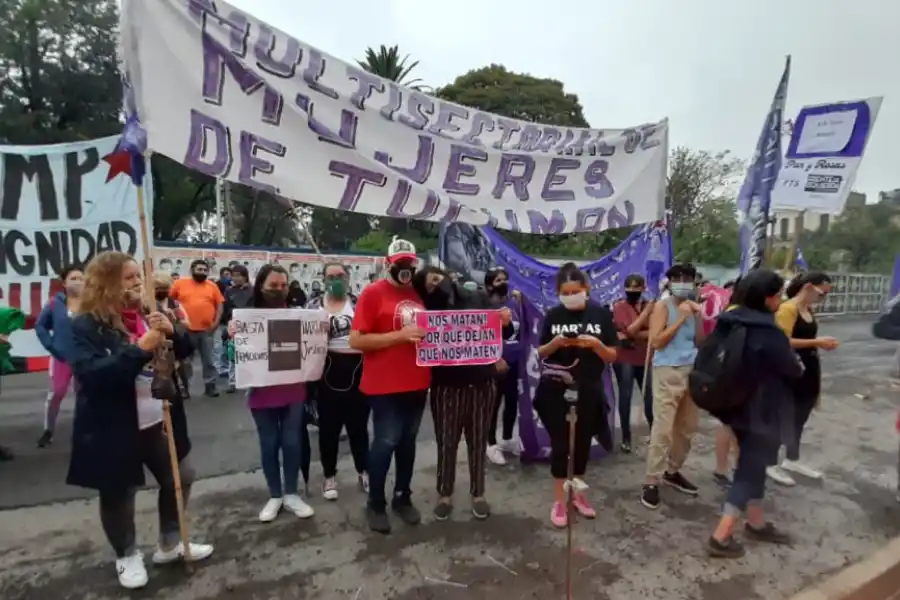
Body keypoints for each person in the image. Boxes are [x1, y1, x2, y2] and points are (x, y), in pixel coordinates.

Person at [66, 251, 212, 589]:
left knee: (181, 475)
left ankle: (170, 542)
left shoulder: (149, 311)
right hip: (114, 423)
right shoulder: (84, 325)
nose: (137, 284)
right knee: (119, 490)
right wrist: (140, 348)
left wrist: (173, 331)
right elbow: (93, 375)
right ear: (106, 283)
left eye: (138, 276)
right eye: (129, 277)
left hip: (161, 417)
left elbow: (186, 348)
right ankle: (127, 554)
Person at [706, 268, 803, 558]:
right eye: (778, 295)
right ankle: (721, 536)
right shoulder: (769, 332)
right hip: (762, 412)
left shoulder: (728, 320)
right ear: (768, 298)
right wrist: (797, 364)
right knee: (749, 469)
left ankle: (756, 522)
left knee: (754, 464)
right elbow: (793, 369)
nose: (780, 301)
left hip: (732, 405)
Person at [414, 266, 514, 521]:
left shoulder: (478, 298)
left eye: (437, 278)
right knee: (446, 442)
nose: (437, 285)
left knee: (478, 441)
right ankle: (444, 493)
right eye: (430, 285)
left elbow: (502, 333)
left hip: (481, 384)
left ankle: (478, 493)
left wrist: (505, 322)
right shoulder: (426, 311)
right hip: (446, 387)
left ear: (447, 276)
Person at [350, 237, 430, 534]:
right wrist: (399, 336)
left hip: (417, 382)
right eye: (400, 264)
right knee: (385, 442)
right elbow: (356, 340)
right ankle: (375, 503)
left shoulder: (419, 293)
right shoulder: (373, 293)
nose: (405, 268)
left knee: (408, 443)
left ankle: (402, 496)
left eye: (410, 263)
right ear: (388, 264)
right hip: (384, 385)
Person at [230, 264, 315, 523]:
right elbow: (234, 357)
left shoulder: (300, 316)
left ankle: (291, 493)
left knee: (292, 443)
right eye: (273, 285)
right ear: (261, 286)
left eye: (283, 285)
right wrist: (232, 337)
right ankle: (275, 495)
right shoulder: (247, 318)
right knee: (269, 444)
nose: (279, 290)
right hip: (261, 392)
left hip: (293, 390)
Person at [535, 263, 618, 527]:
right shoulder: (553, 315)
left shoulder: (600, 314)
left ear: (586, 289)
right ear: (558, 292)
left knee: (582, 445)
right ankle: (560, 500)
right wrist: (555, 343)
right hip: (555, 389)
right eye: (565, 292)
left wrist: (596, 345)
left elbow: (612, 355)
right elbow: (540, 352)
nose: (571, 296)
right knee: (561, 446)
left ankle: (578, 494)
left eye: (575, 291)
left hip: (589, 388)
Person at [641, 263, 704, 510]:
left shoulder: (693, 306)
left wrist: (698, 316)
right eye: (677, 278)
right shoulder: (662, 306)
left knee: (687, 427)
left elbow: (700, 341)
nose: (682, 283)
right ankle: (651, 480)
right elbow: (656, 342)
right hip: (667, 370)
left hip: (691, 369)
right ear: (669, 282)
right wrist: (681, 320)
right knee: (663, 428)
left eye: (687, 278)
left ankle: (673, 470)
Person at [767, 272, 838, 486]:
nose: (823, 298)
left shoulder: (808, 310)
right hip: (790, 370)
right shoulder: (787, 309)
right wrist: (817, 342)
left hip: (809, 368)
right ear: (808, 286)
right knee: (784, 417)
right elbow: (782, 341)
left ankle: (792, 458)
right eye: (821, 293)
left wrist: (819, 344)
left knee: (799, 418)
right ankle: (769, 462)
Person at [306, 262, 369, 500]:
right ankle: (329, 475)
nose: (336, 281)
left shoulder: (360, 303)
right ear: (323, 279)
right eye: (330, 276)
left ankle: (364, 471)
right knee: (328, 429)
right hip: (327, 369)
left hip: (358, 368)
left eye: (340, 276)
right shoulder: (313, 306)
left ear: (348, 277)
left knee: (358, 427)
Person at [35, 264, 84, 448]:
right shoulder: (55, 304)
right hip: (61, 358)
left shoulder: (91, 304)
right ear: (64, 283)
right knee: (57, 393)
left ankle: (83, 431)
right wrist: (51, 345)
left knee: (84, 396)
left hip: (85, 359)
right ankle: (48, 431)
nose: (78, 282)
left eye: (81, 278)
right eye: (73, 278)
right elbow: (40, 326)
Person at [611, 274, 654, 454]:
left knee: (650, 397)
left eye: (636, 289)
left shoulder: (650, 305)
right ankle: (626, 436)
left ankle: (655, 433)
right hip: (624, 358)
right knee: (626, 395)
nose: (633, 292)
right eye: (629, 289)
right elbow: (629, 331)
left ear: (643, 288)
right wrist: (644, 318)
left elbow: (655, 330)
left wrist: (636, 333)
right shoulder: (620, 306)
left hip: (645, 357)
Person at [484, 267, 522, 465]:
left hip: (515, 361)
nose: (503, 283)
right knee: (493, 403)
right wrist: (495, 358)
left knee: (512, 401)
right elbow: (483, 336)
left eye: (505, 279)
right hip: (495, 363)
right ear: (489, 285)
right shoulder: (485, 305)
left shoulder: (514, 303)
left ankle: (507, 439)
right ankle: (490, 443)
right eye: (498, 280)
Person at [170, 259, 224, 397]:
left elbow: (220, 305)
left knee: (209, 360)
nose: (202, 272)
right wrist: (176, 321)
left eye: (205, 270)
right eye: (199, 269)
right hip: (185, 331)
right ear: (192, 270)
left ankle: (210, 386)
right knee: (185, 362)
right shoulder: (179, 284)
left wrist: (215, 323)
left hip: (207, 331)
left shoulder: (212, 286)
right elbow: (170, 301)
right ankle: (184, 388)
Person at [153, 271, 192, 399]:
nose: (162, 291)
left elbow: (186, 323)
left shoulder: (174, 304)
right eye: (158, 288)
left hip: (177, 340)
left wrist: (173, 318)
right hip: (159, 343)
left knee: (182, 366)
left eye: (165, 288)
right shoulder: (149, 304)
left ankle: (184, 388)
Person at [223, 265, 253, 394]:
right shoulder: (229, 291)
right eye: (233, 275)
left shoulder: (253, 290)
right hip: (234, 325)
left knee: (250, 354)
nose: (235, 278)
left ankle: (250, 381)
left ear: (245, 276)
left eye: (238, 275)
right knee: (232, 354)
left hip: (251, 326)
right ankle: (232, 382)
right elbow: (226, 308)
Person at [213, 267, 233, 379]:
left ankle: (225, 366)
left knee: (226, 346)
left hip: (227, 320)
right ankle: (219, 367)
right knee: (218, 345)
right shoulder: (216, 286)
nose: (228, 276)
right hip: (218, 320)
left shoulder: (232, 287)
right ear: (221, 275)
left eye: (229, 274)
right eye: (226, 274)